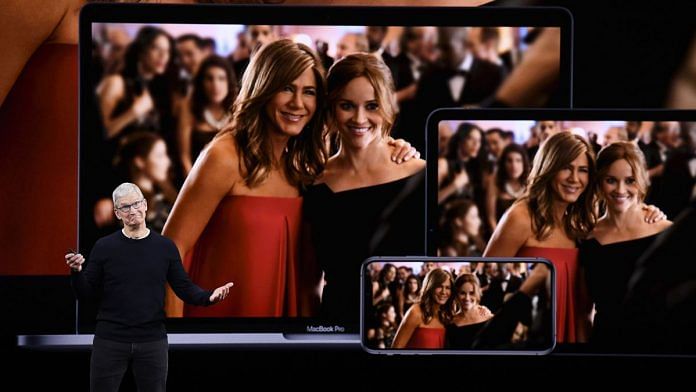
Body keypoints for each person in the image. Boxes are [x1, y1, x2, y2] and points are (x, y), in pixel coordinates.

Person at [163, 40, 421, 318]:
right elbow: (170, 249)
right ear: (263, 89)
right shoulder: (224, 156)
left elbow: (308, 276)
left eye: (308, 92)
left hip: (279, 329)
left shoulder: (302, 167)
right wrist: (176, 337)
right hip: (217, 323)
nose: (297, 103)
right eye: (286, 88)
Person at [483, 132, 666, 343]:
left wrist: (647, 212)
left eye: (583, 170)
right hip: (532, 340)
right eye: (566, 168)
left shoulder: (580, 224)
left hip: (573, 341)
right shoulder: (521, 217)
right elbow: (487, 286)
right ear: (549, 168)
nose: (574, 178)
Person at [65, 182, 233, 392]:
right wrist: (77, 271)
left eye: (136, 203)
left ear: (145, 205)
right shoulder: (104, 247)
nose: (132, 210)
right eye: (125, 207)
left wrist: (209, 297)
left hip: (152, 342)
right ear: (117, 213)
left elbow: (184, 287)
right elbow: (85, 293)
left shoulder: (165, 247)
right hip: (110, 340)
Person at [304, 53, 426, 325]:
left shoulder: (420, 174)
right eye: (347, 105)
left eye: (371, 106)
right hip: (337, 326)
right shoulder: (314, 184)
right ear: (331, 107)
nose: (359, 118)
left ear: (386, 107)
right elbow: (309, 281)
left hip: (405, 329)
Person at [579, 142, 672, 350]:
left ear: (641, 181)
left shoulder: (666, 232)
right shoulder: (587, 240)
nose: (620, 190)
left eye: (629, 181)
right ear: (599, 182)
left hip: (661, 348)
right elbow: (584, 313)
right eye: (611, 180)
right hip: (606, 347)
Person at [177, 55, 237, 176]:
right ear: (201, 83)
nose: (215, 85)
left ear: (229, 82)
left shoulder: (238, 108)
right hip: (196, 176)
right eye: (209, 79)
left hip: (231, 177)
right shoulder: (189, 107)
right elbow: (184, 158)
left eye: (221, 79)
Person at [392, 268, 453, 349]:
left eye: (448, 287)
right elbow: (396, 348)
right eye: (439, 286)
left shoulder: (445, 315)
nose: (444, 292)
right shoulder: (415, 312)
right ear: (430, 287)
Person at [445, 273, 493, 349]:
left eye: (471, 293)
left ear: (477, 293)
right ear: (456, 294)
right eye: (462, 293)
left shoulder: (487, 317)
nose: (467, 298)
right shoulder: (451, 322)